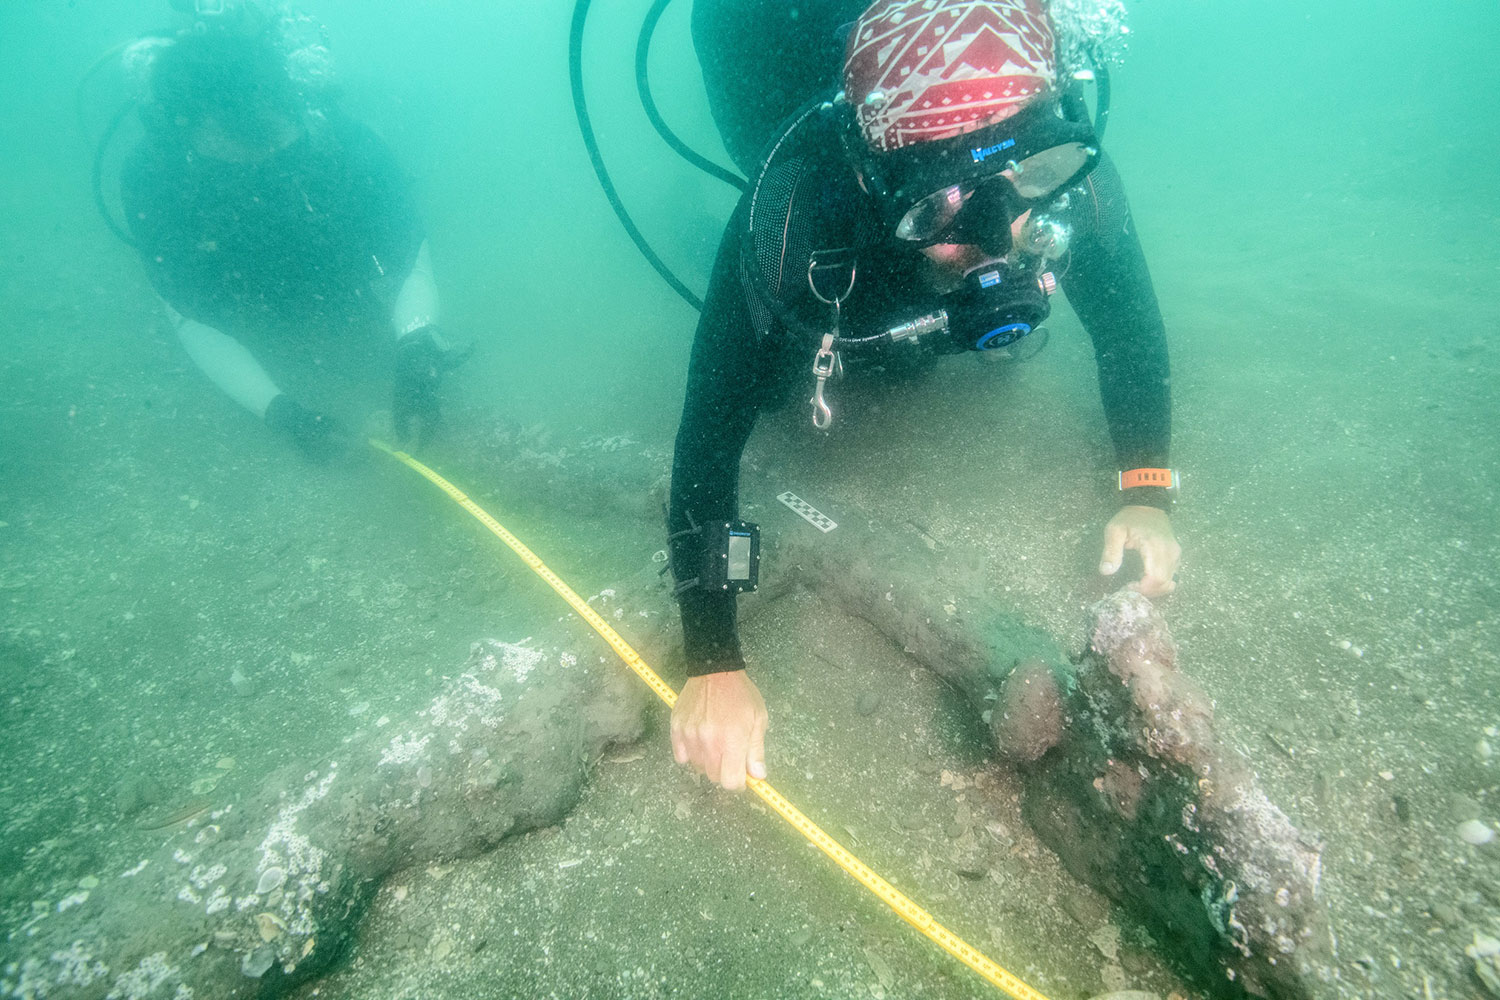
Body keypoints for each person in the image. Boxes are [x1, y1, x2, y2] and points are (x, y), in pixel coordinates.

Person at [668, 0, 1180, 789]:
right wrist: (713, 659)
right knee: (773, 392)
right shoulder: (797, 208)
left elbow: (1128, 325)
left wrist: (1146, 485)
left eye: (1027, 178)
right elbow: (711, 436)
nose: (1000, 234)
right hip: (766, 45)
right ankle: (708, 252)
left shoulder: (1064, 169)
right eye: (941, 205)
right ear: (879, 186)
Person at [120, 9, 462, 458]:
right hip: (248, 310)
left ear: (290, 104)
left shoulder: (343, 143)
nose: (261, 157)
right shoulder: (156, 176)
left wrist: (416, 342)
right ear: (186, 131)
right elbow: (186, 311)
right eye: (236, 139)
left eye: (271, 133)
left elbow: (409, 251)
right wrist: (279, 412)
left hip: (344, 297)